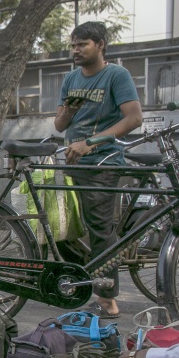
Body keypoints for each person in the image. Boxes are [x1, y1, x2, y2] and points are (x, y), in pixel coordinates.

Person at [55, 21, 143, 320]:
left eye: (82, 44)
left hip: (104, 163)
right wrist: (68, 109)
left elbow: (133, 118)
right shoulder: (70, 79)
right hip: (71, 162)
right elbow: (59, 125)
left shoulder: (116, 75)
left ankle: (107, 300)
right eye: (73, 45)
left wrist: (91, 143)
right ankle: (86, 278)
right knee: (56, 226)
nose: (75, 50)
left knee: (100, 231)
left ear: (100, 44)